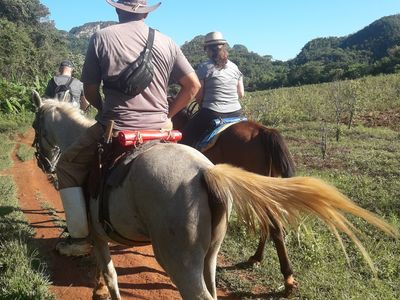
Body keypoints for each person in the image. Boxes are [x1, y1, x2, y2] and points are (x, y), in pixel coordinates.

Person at [54, 0, 200, 257]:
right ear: (145, 11)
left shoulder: (101, 37)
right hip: (159, 130)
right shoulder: (167, 41)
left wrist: (103, 110)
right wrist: (167, 114)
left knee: (66, 165)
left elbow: (89, 90)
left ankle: (78, 238)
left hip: (116, 127)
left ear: (118, 9)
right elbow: (193, 86)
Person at [180, 31, 245, 147]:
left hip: (212, 112)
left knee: (184, 138)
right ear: (223, 48)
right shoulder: (234, 67)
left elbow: (199, 96)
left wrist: (202, 104)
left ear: (208, 50)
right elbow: (241, 93)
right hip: (237, 113)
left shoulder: (204, 67)